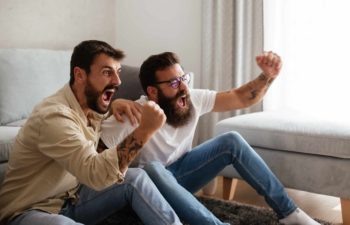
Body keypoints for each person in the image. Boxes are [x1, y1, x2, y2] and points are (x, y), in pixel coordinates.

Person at [100, 51, 321, 225]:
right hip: (147, 193)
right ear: (153, 92)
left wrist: (267, 76)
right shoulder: (131, 115)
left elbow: (239, 98)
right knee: (153, 169)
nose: (184, 87)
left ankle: (290, 213)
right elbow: (93, 160)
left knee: (231, 141)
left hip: (181, 177)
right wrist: (110, 108)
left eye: (183, 78)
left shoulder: (192, 99)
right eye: (174, 84)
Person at [0, 41, 183, 225]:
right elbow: (95, 174)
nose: (118, 81)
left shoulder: (89, 107)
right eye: (106, 72)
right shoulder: (53, 117)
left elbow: (92, 122)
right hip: (28, 212)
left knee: (136, 178)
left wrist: (112, 107)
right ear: (80, 75)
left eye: (118, 72)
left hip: (70, 199)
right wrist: (144, 130)